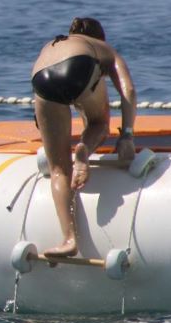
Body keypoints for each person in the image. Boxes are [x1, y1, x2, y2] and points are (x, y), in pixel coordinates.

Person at [30, 17, 137, 258]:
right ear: (100, 38)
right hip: (79, 67)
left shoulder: (54, 45)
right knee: (99, 122)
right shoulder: (104, 49)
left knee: (58, 169)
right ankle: (84, 150)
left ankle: (68, 239)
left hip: (41, 78)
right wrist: (127, 135)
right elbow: (128, 90)